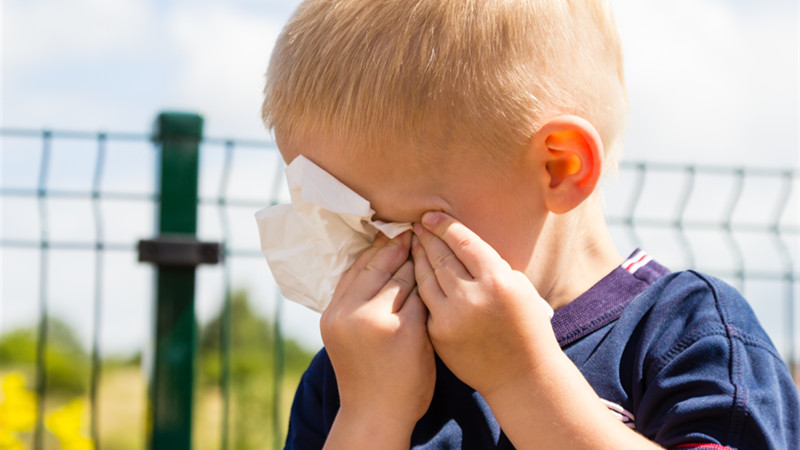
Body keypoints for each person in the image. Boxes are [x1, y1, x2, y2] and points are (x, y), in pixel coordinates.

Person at [260, 0, 800, 448]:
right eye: (345, 225)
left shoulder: (689, 333)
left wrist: (523, 379)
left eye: (399, 226)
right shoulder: (353, 373)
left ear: (559, 168)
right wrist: (371, 413)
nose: (370, 256)